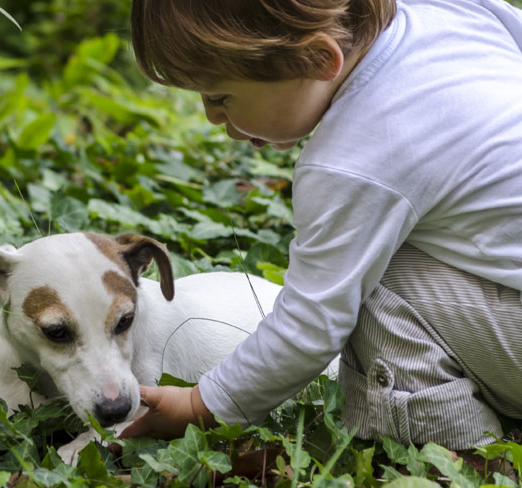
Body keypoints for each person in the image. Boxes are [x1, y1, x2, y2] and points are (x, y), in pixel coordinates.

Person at [120, 0, 522, 449]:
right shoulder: (453, 12)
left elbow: (311, 322)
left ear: (319, 59)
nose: (213, 117)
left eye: (219, 97)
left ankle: (462, 458)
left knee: (367, 289)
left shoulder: (353, 158)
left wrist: (202, 405)